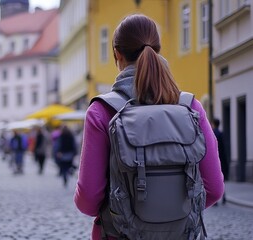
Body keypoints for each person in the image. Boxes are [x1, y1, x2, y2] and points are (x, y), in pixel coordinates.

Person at [74, 14, 224, 240]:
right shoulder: (191, 107)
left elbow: (88, 199)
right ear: (158, 49)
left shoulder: (101, 111)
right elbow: (214, 189)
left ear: (117, 54)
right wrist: (172, 218)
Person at [212, 118, 229, 204]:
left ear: (214, 124)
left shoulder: (212, 133)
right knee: (222, 179)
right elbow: (224, 148)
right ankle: (224, 197)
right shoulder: (221, 134)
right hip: (221, 158)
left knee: (215, 178)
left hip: (215, 159)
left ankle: (215, 201)